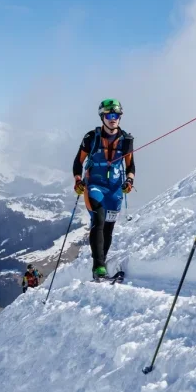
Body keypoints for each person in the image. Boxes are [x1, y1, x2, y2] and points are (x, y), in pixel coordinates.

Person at [72, 99, 136, 280]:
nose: (113, 119)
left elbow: (130, 166)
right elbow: (78, 162)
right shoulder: (91, 138)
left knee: (108, 227)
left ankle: (102, 261)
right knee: (98, 220)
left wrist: (129, 181)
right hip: (94, 185)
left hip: (115, 189)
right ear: (103, 117)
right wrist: (78, 180)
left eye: (116, 115)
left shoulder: (126, 140)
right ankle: (98, 267)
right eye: (109, 115)